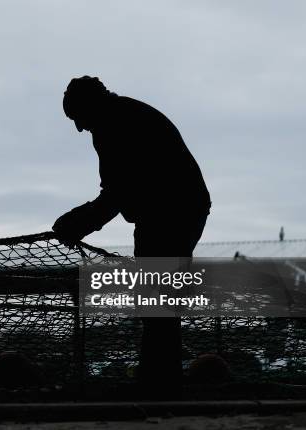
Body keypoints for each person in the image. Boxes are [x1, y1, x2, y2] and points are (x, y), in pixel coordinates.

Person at [52, 76, 211, 399]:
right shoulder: (123, 115)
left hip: (171, 211)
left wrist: (78, 222)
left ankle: (159, 384)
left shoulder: (115, 124)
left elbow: (117, 192)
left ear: (89, 107)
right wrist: (81, 220)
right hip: (173, 210)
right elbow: (120, 191)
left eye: (78, 119)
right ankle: (160, 380)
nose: (80, 129)